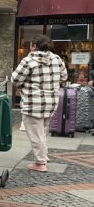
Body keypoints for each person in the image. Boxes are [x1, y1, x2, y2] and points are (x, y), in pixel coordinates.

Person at [12, 35, 67, 172]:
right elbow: (64, 77)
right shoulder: (57, 59)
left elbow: (15, 80)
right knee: (42, 130)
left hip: (33, 103)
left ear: (34, 46)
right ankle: (44, 155)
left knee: (36, 133)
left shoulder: (29, 60)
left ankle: (40, 162)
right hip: (51, 102)